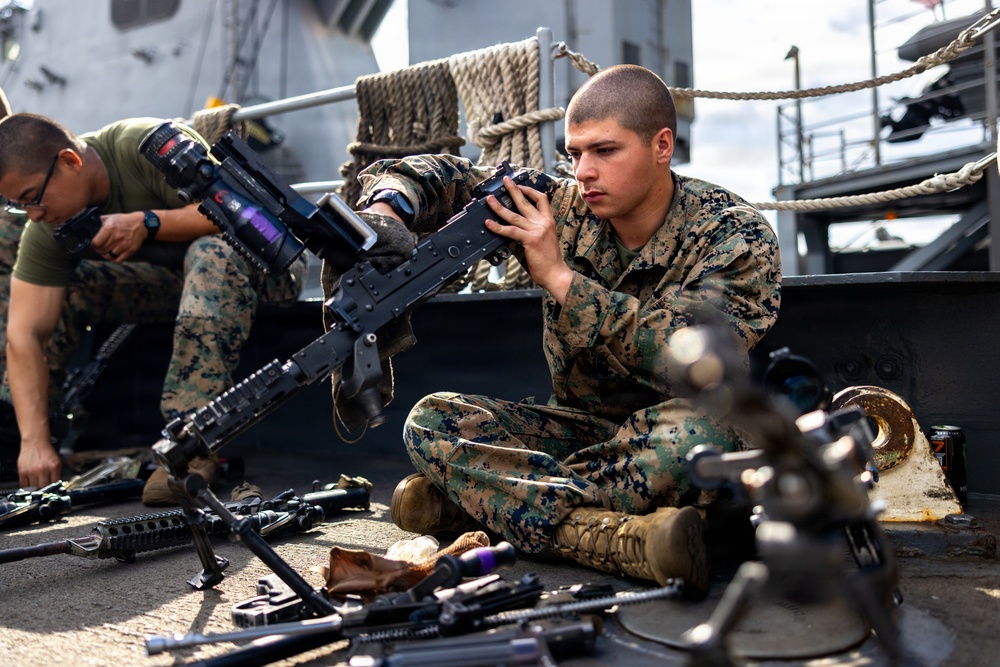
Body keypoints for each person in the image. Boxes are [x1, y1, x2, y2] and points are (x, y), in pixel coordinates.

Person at [353, 65, 781, 597]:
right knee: (431, 419)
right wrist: (388, 204)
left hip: (670, 435)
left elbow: (682, 351)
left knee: (701, 437)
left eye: (605, 151)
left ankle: (482, 502)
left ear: (662, 145)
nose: (584, 172)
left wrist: (559, 277)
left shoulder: (734, 235)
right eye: (574, 153)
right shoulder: (561, 208)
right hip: (579, 434)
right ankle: (604, 535)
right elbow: (445, 174)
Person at [0, 113, 307, 501]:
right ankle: (18, 439)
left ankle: (193, 446)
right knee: (68, 289)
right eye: (19, 206)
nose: (34, 215)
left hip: (267, 260)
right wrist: (34, 441)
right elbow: (24, 332)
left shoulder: (142, 145)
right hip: (179, 283)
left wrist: (148, 222)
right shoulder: (47, 223)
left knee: (209, 252)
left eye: (32, 198)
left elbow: (241, 209)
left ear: (69, 161)